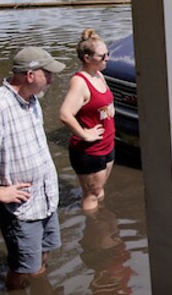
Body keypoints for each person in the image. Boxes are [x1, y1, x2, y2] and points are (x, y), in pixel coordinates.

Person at [0, 46, 66, 291]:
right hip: (22, 209)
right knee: (20, 267)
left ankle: (41, 286)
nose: (51, 78)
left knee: (42, 256)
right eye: (47, 73)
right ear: (30, 75)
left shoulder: (32, 101)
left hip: (46, 200)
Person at [59, 29, 115, 212]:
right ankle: (93, 233)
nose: (107, 58)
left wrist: (110, 108)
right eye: (102, 56)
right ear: (87, 58)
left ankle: (104, 225)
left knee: (99, 191)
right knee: (91, 194)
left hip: (107, 144)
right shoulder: (80, 82)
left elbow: (103, 99)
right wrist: (84, 134)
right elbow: (65, 114)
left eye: (108, 54)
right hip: (90, 151)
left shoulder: (98, 74)